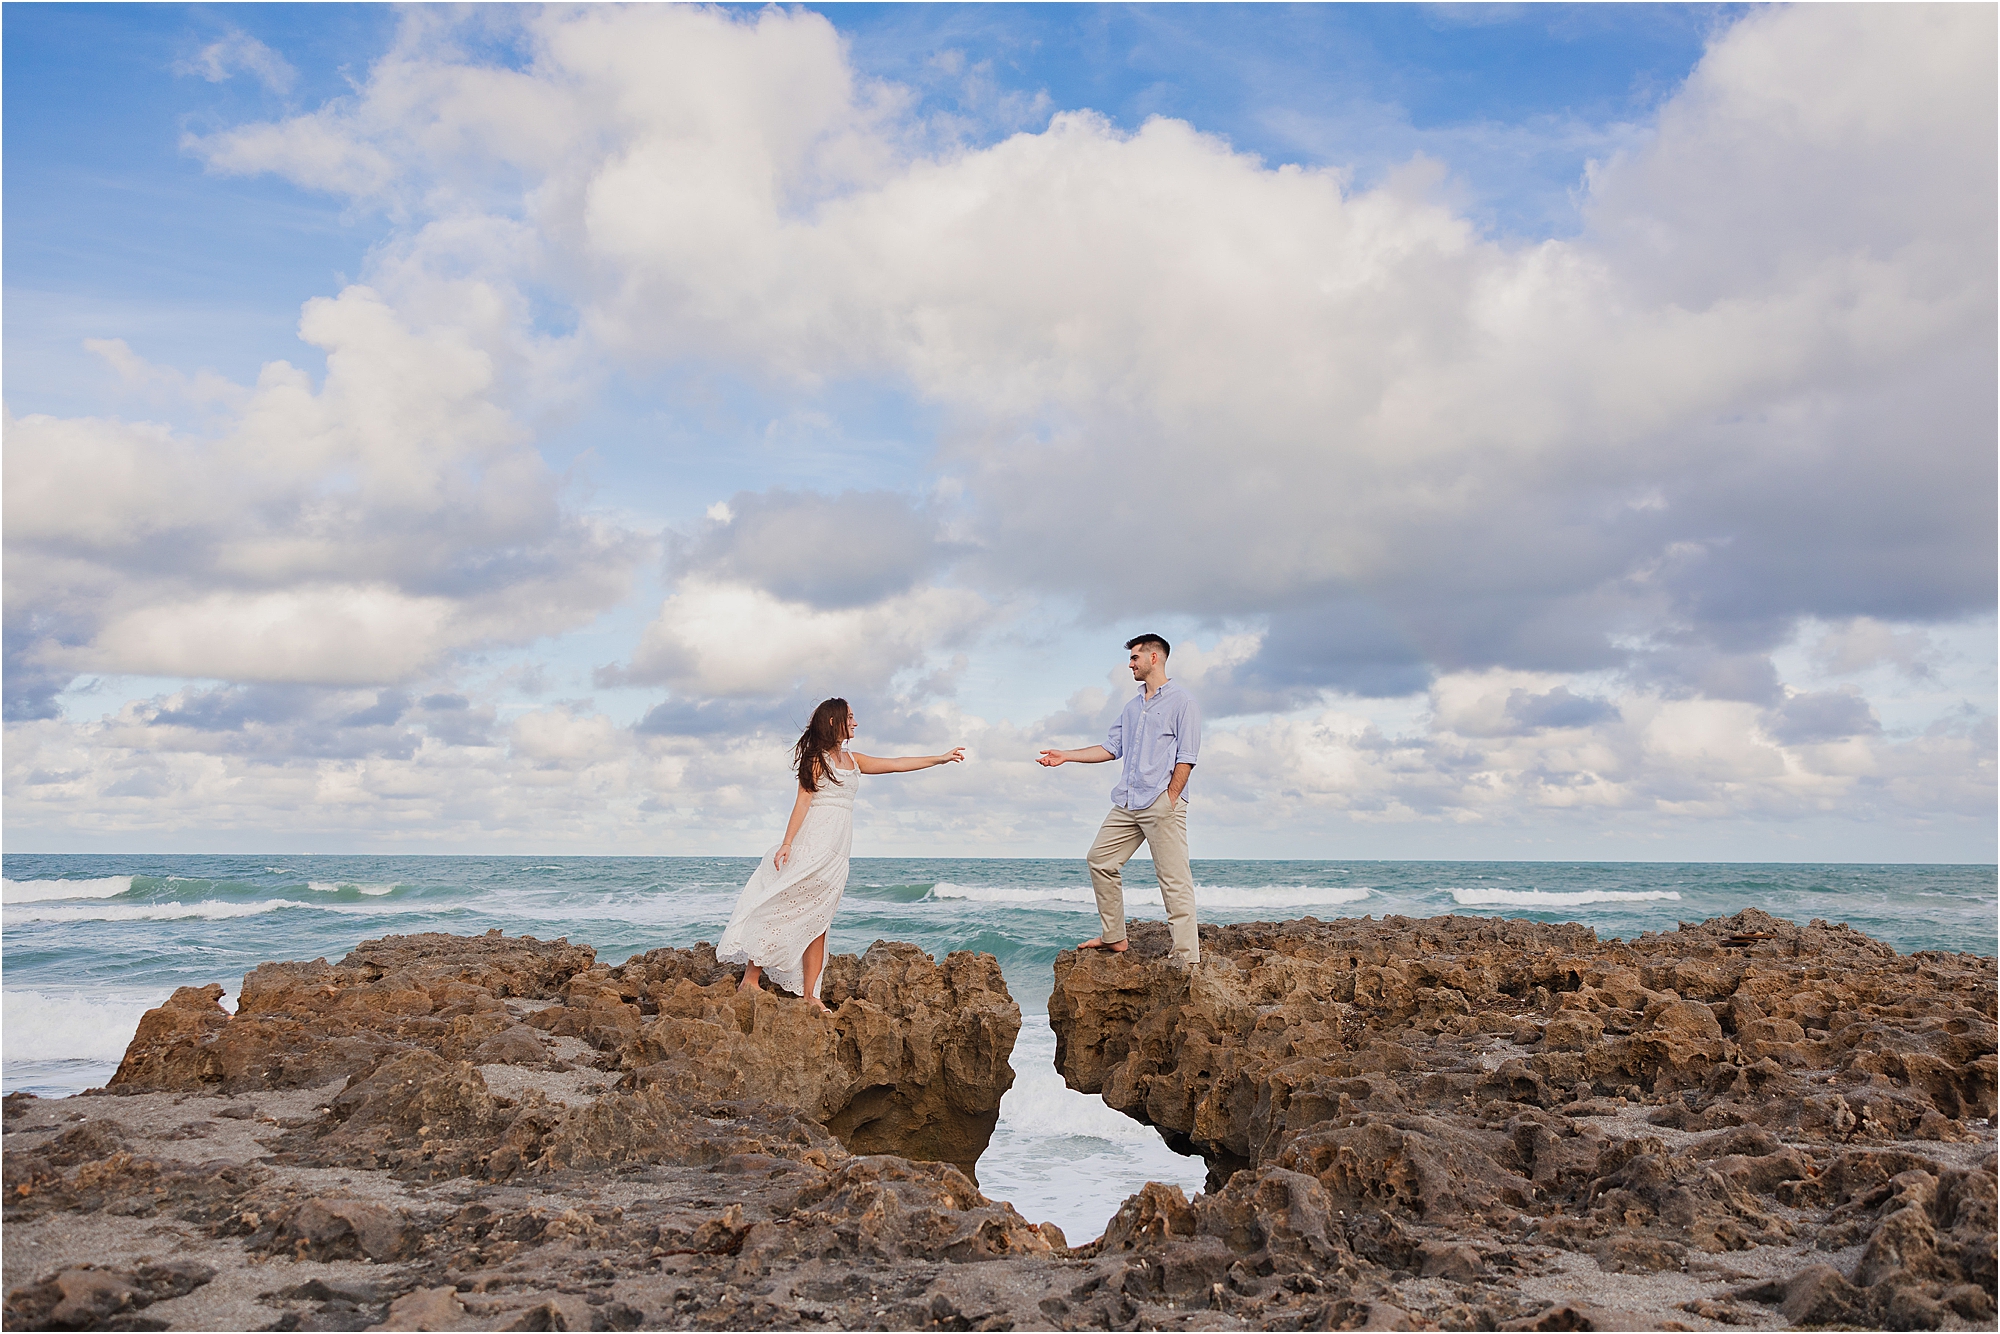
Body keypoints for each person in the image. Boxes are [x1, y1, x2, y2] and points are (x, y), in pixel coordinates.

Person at [718, 697, 964, 1010]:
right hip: (813, 845)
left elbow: (897, 763)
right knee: (784, 906)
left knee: (819, 922)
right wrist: (787, 842)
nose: (856, 722)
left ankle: (811, 996)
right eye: (850, 716)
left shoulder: (854, 760)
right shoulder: (817, 759)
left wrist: (939, 759)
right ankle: (749, 981)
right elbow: (803, 801)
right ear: (834, 722)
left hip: (836, 855)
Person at [1038, 634, 1202, 964]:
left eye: (1135, 658)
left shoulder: (1183, 702)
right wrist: (1065, 756)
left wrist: (1170, 799)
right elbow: (1111, 748)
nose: (1130, 664)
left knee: (1173, 880)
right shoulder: (1131, 707)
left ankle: (1187, 958)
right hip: (1127, 802)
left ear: (1154, 658)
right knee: (1100, 859)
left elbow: (1187, 756)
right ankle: (1114, 937)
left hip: (1160, 801)